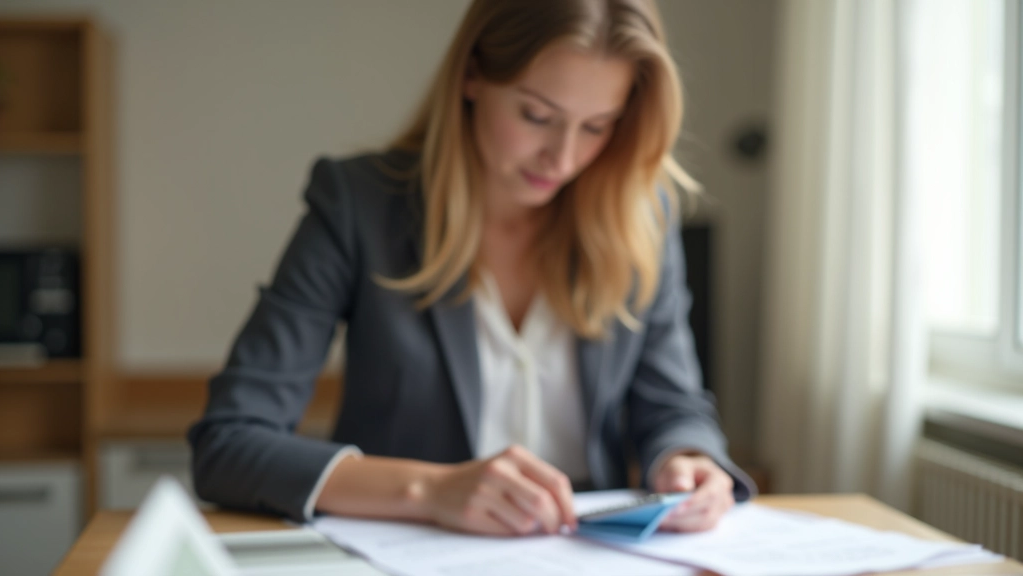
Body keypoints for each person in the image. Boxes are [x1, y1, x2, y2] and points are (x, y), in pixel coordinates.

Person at [188, 0, 755, 537]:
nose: (562, 159)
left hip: (587, 555)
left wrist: (689, 459)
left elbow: (674, 407)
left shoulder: (641, 215)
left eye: (597, 126)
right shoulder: (358, 206)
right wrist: (430, 490)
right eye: (537, 115)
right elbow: (230, 442)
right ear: (473, 75)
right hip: (409, 547)